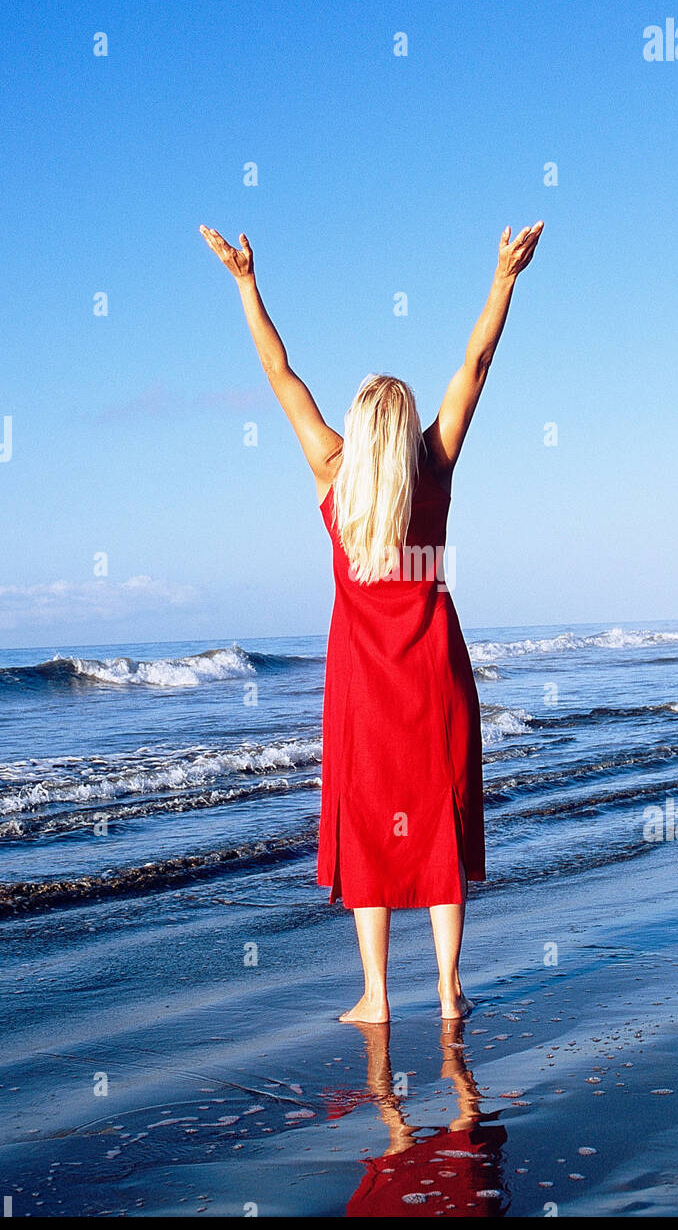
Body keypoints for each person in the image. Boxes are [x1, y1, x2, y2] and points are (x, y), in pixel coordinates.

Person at [200, 218, 543, 1022]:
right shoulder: (435, 465)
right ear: (408, 422)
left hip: (362, 687)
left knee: (368, 823)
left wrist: (246, 284)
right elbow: (475, 364)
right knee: (437, 821)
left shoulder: (332, 469)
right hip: (434, 679)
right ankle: (449, 988)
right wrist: (503, 277)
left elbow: (278, 374)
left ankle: (377, 995)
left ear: (359, 425)